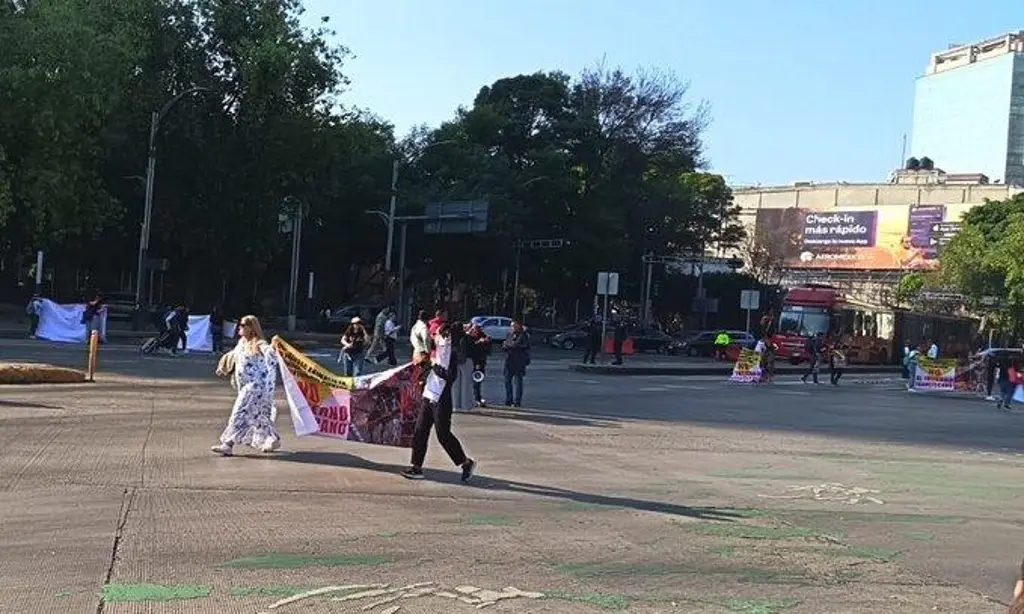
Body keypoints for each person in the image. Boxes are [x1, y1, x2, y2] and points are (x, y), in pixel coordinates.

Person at [401, 321, 476, 482]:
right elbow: (429, 367)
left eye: (439, 334)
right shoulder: (436, 351)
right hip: (428, 395)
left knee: (443, 435)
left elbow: (450, 376)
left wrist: (434, 366)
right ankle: (416, 467)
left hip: (442, 398)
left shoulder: (451, 353)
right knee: (420, 431)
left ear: (447, 337)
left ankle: (465, 462)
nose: (436, 336)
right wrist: (423, 366)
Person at [211, 315, 281, 456]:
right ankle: (273, 439)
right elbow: (233, 355)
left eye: (243, 325)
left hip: (256, 387)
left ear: (252, 328)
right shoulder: (242, 343)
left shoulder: (259, 343)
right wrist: (223, 365)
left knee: (239, 413)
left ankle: (228, 444)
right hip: (247, 387)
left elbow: (271, 354)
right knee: (260, 417)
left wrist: (274, 346)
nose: (239, 327)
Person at [502, 319, 531, 407]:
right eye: (511, 326)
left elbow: (525, 346)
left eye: (514, 326)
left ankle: (517, 401)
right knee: (507, 381)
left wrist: (512, 346)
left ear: (519, 326)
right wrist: (509, 346)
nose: (512, 328)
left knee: (518, 382)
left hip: (519, 361)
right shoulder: (509, 334)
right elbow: (504, 345)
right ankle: (508, 400)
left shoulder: (524, 335)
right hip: (509, 361)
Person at [465, 322, 491, 406]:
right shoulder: (468, 337)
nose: (477, 330)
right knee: (468, 381)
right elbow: (469, 348)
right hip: (470, 362)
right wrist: (479, 342)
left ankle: (477, 398)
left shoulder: (484, 336)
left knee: (477, 381)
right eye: (475, 328)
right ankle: (470, 398)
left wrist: (486, 342)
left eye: (479, 328)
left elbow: (488, 351)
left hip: (480, 362)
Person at [451, 322, 474, 412]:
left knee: (456, 384)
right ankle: (465, 406)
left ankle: (456, 405)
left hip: (455, 361)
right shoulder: (466, 337)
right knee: (466, 384)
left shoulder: (452, 337)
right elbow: (472, 348)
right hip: (466, 361)